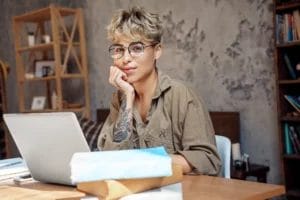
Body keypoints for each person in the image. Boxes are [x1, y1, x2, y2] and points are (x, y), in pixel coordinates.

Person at [98, 6, 221, 175]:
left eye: (136, 48)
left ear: (157, 51)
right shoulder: (120, 98)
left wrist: (145, 161)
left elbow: (207, 159)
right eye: (119, 50)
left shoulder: (182, 96)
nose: (126, 58)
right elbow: (109, 158)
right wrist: (128, 98)